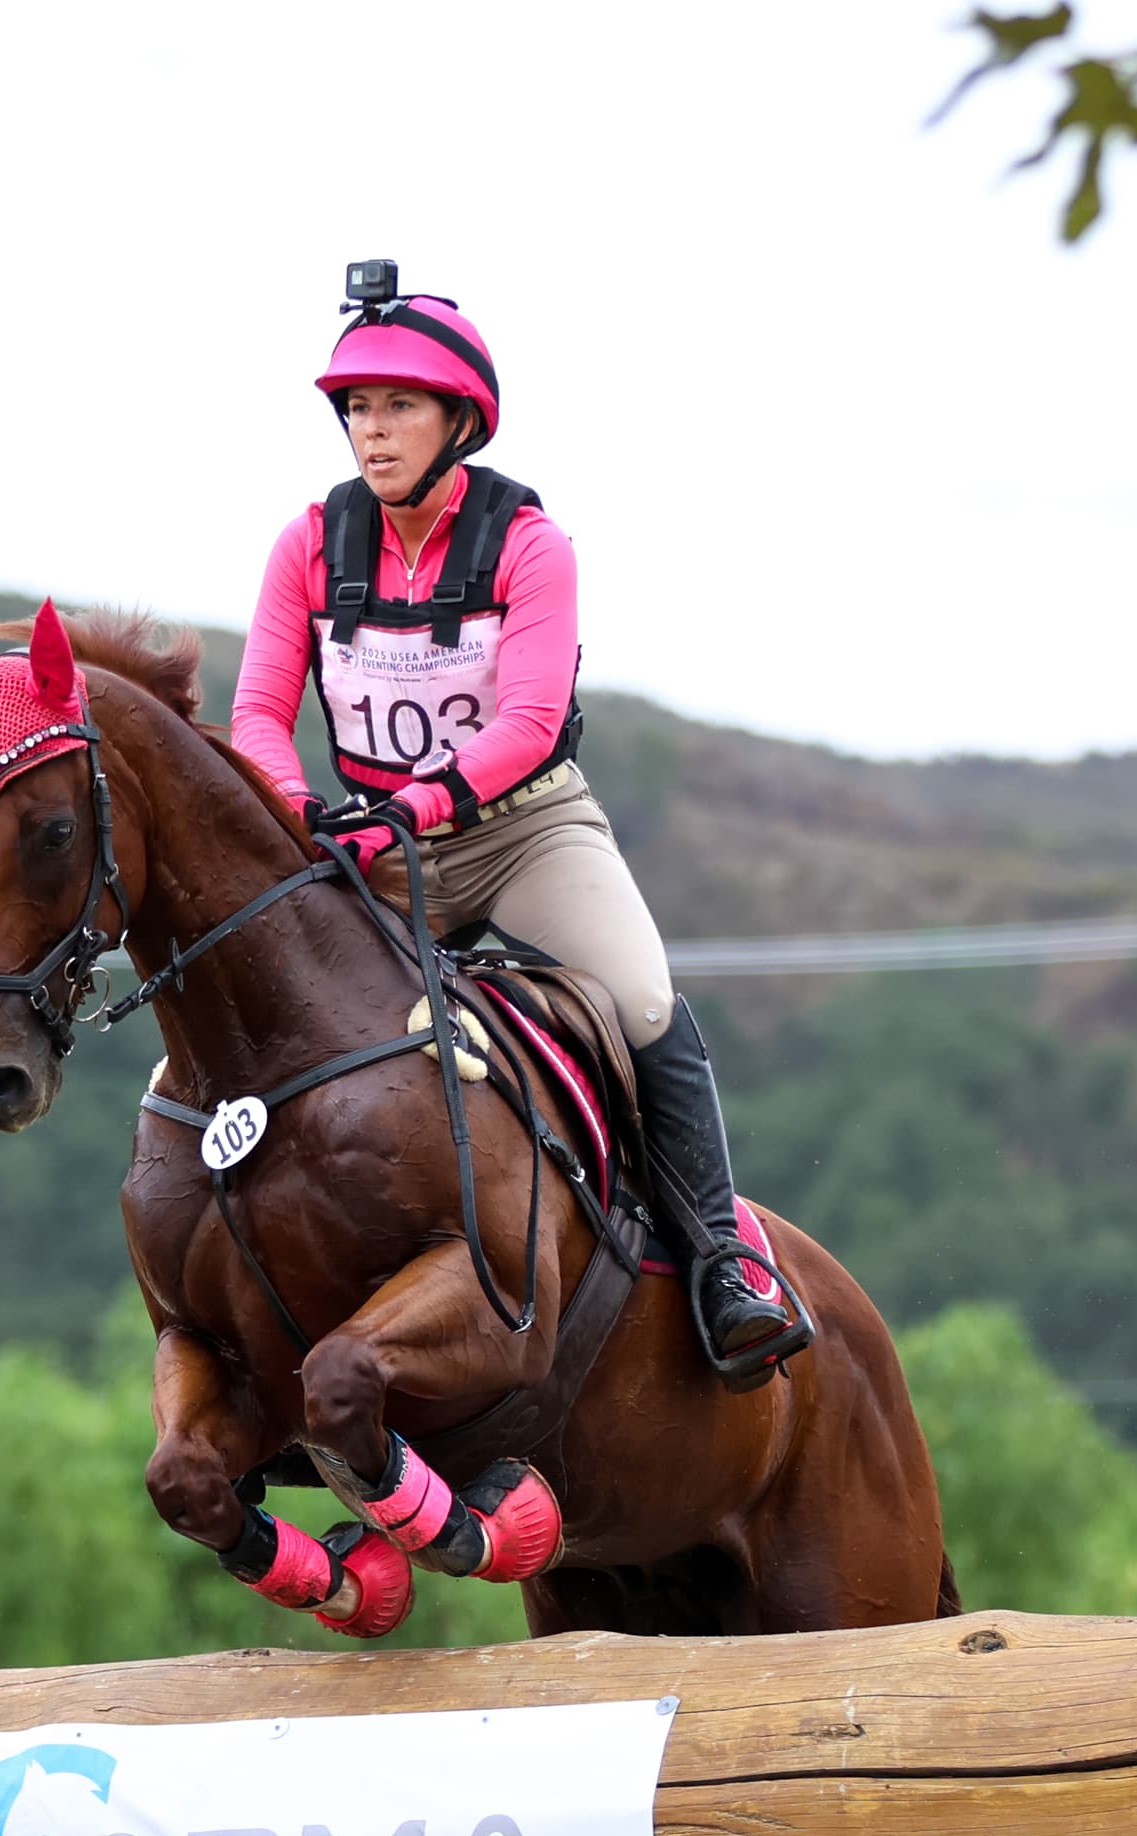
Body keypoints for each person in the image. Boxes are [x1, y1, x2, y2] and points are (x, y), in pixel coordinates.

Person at [227, 267, 814, 1382]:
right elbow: (258, 710)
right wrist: (296, 805)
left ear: (460, 421)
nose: (371, 429)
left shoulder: (531, 545)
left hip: (524, 831)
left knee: (641, 1002)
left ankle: (723, 1262)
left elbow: (533, 720)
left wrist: (420, 801)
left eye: (398, 405)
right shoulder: (306, 544)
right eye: (357, 407)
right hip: (371, 845)